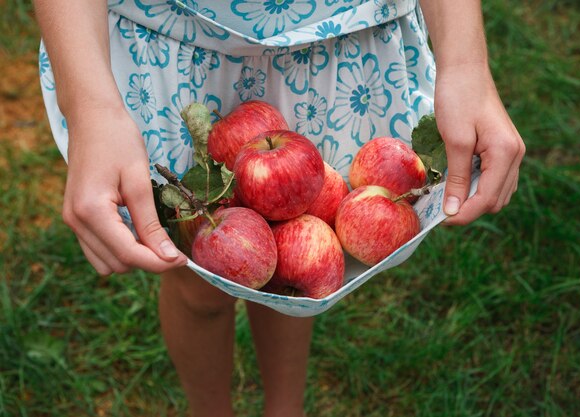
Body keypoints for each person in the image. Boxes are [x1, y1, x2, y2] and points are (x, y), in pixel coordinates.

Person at [34, 0, 525, 416]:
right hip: (179, 39)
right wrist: (91, 110)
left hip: (332, 42)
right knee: (197, 282)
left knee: (300, 253)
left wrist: (466, 64)